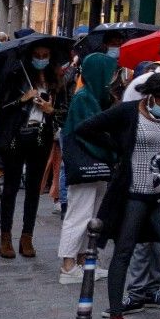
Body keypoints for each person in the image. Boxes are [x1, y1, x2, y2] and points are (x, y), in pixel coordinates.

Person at [70, 73, 160, 319]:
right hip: (133, 195)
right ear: (150, 96)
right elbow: (85, 128)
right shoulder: (127, 112)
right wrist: (116, 147)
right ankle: (116, 316)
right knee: (124, 251)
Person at [0, 41, 63, 259]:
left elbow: (63, 111)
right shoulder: (16, 76)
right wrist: (21, 100)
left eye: (45, 55)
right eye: (37, 55)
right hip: (17, 136)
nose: (41, 59)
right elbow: (0, 108)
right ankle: (5, 236)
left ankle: (27, 237)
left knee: (33, 189)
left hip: (41, 137)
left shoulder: (54, 81)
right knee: (11, 188)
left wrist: (51, 110)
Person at [57, 52, 119, 284]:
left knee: (91, 215)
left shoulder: (95, 96)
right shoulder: (84, 98)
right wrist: (112, 148)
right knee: (79, 214)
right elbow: (91, 131)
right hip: (88, 163)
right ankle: (68, 265)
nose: (113, 78)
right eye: (110, 73)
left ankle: (84, 261)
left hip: (97, 165)